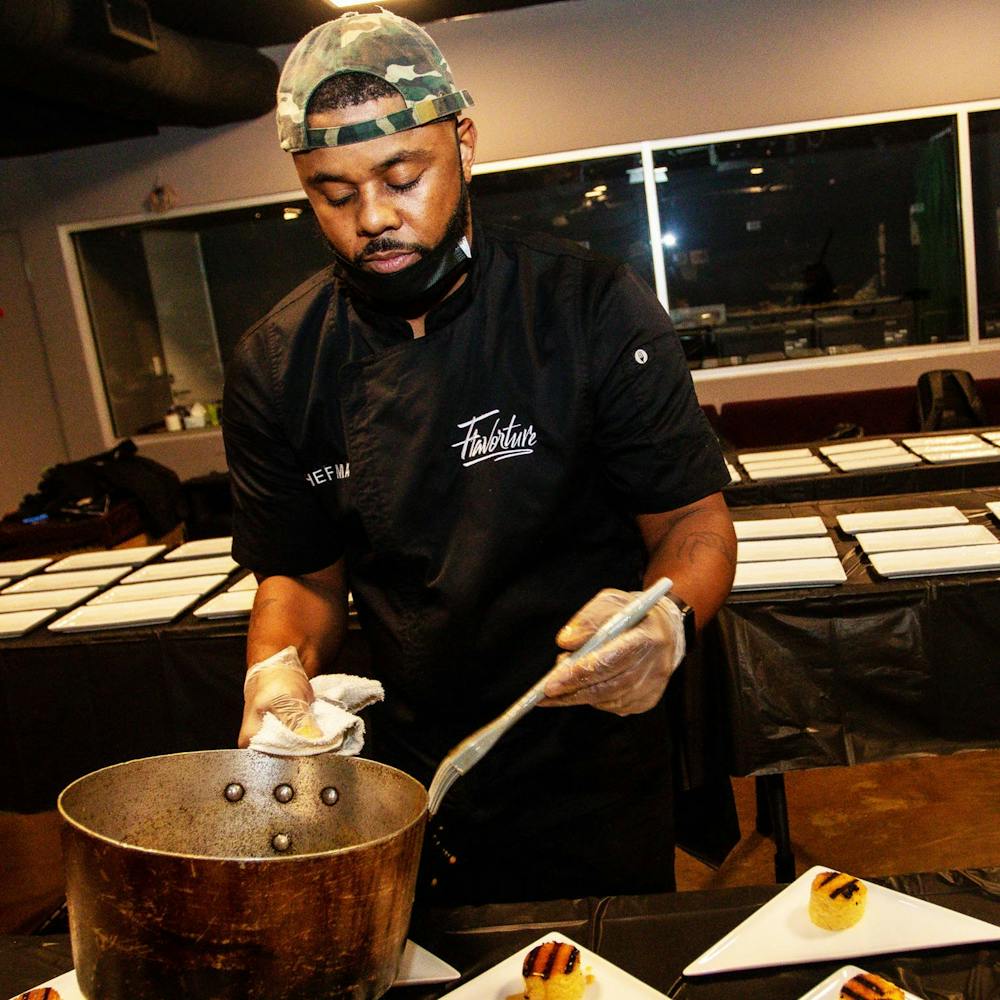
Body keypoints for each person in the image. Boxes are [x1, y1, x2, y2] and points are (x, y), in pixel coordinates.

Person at [223, 9, 736, 905]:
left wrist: (666, 622)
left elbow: (693, 524)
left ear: (463, 142)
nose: (373, 218)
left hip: (589, 757)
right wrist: (277, 676)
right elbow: (301, 578)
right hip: (409, 765)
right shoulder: (278, 363)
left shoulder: (589, 309)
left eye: (402, 177)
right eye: (333, 195)